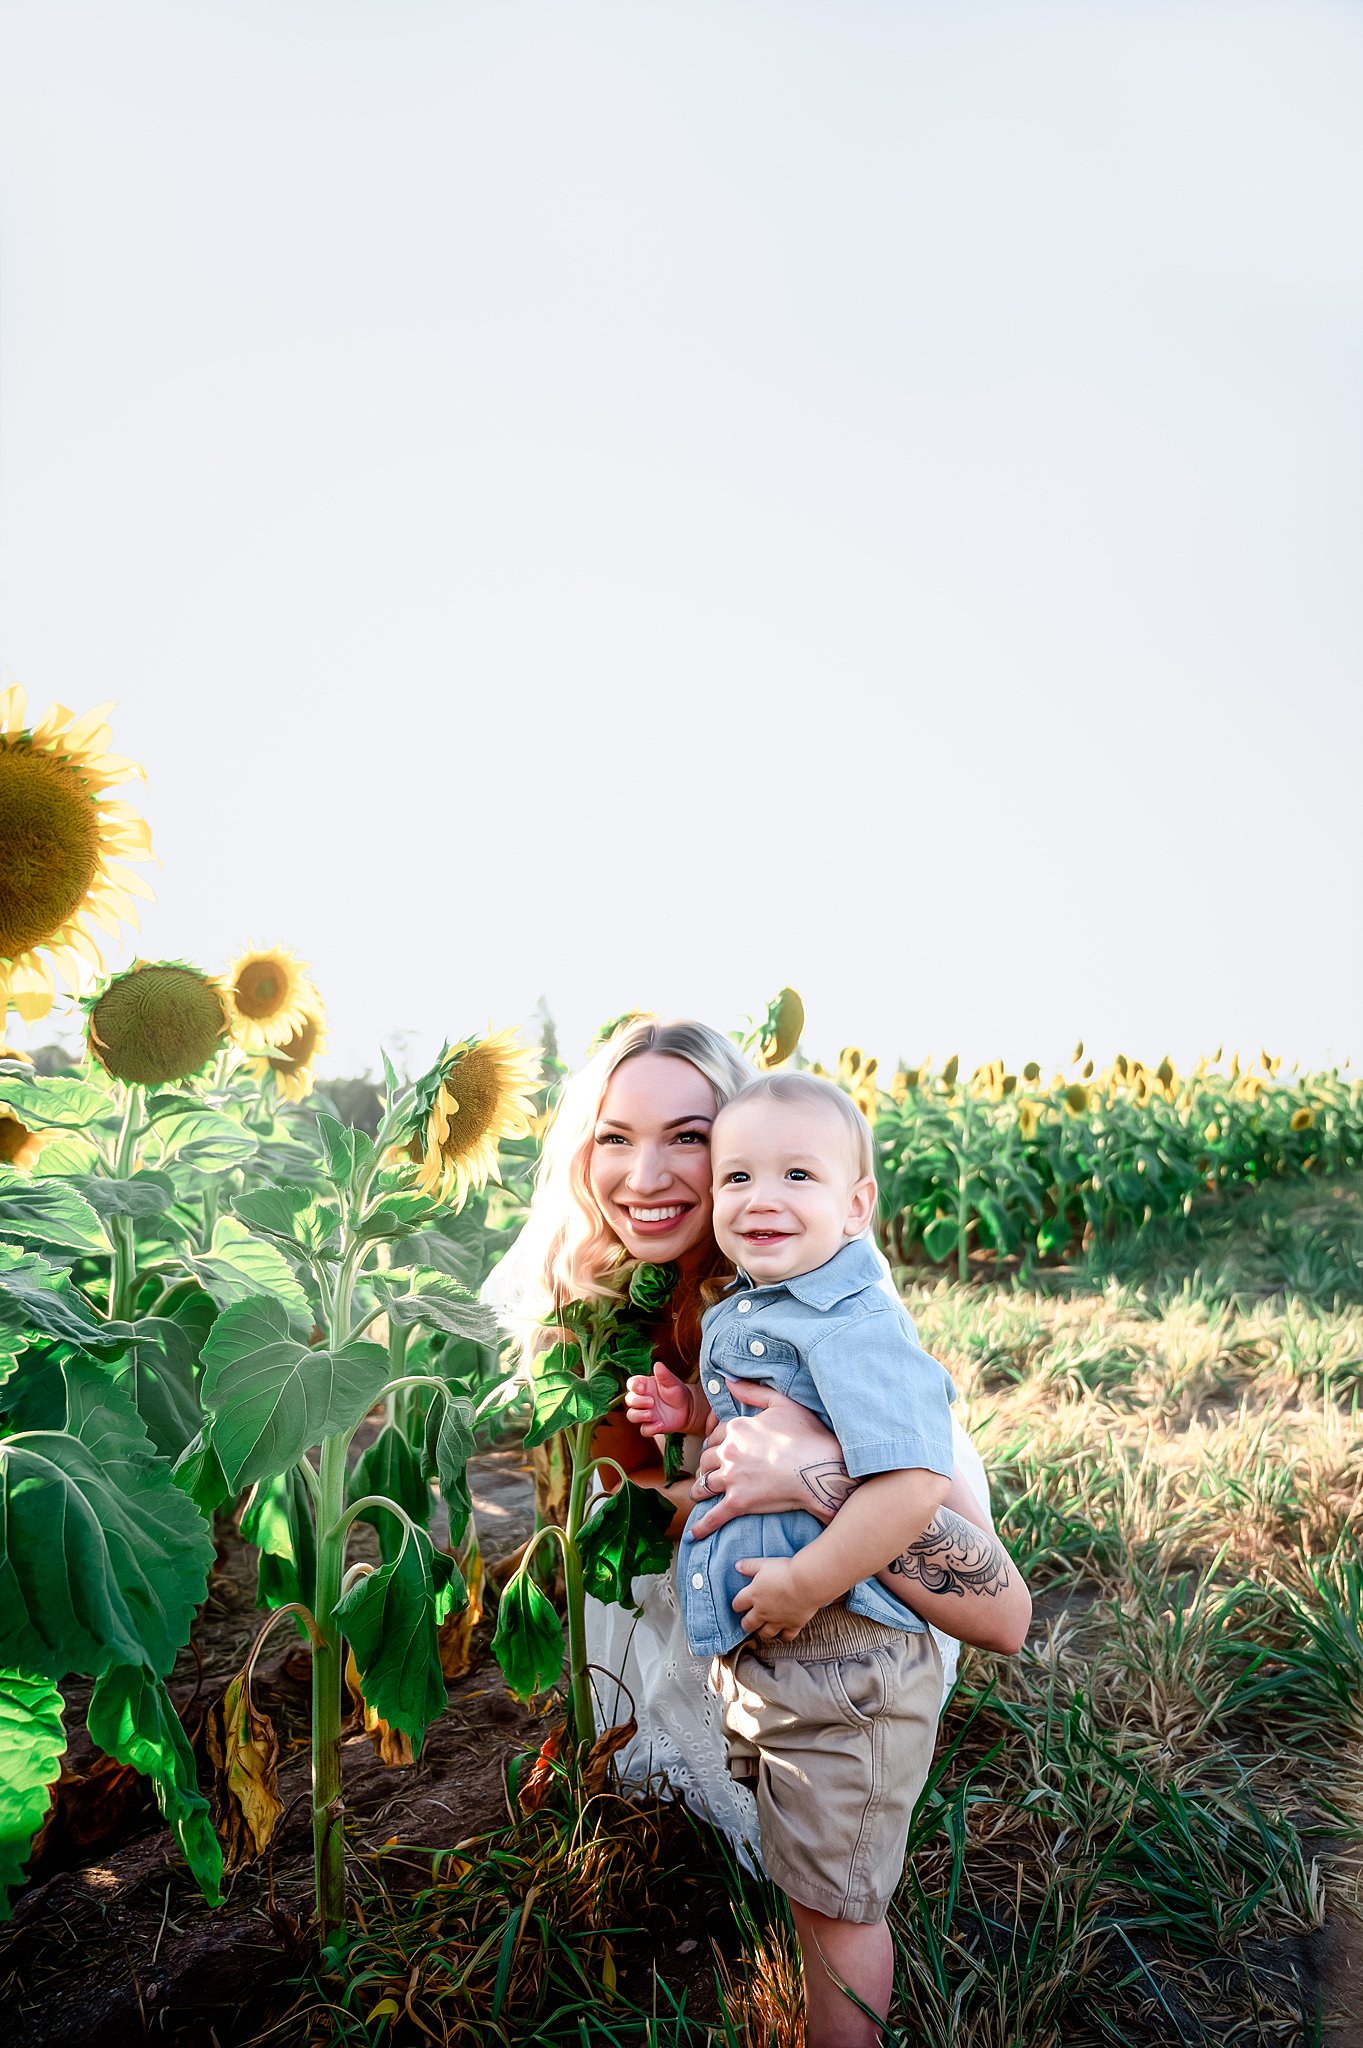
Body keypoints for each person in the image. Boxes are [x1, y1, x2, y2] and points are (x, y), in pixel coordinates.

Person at [484, 1018, 1029, 1868]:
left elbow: (998, 1610)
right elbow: (628, 1498)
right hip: (732, 1550)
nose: (645, 1175)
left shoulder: (829, 1311)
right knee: (611, 1525)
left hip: (856, 1572)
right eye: (614, 1138)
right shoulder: (598, 1301)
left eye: (689, 1139)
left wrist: (802, 1470)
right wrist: (713, 1464)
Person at [625, 1069, 961, 2047]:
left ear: (857, 1206)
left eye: (797, 1173)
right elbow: (753, 1423)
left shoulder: (853, 1321)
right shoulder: (761, 1307)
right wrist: (691, 1412)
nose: (758, 1196)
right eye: (735, 1176)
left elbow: (910, 1486)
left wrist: (808, 1578)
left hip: (843, 1660)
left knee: (843, 1906)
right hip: (782, 1661)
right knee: (811, 1878)